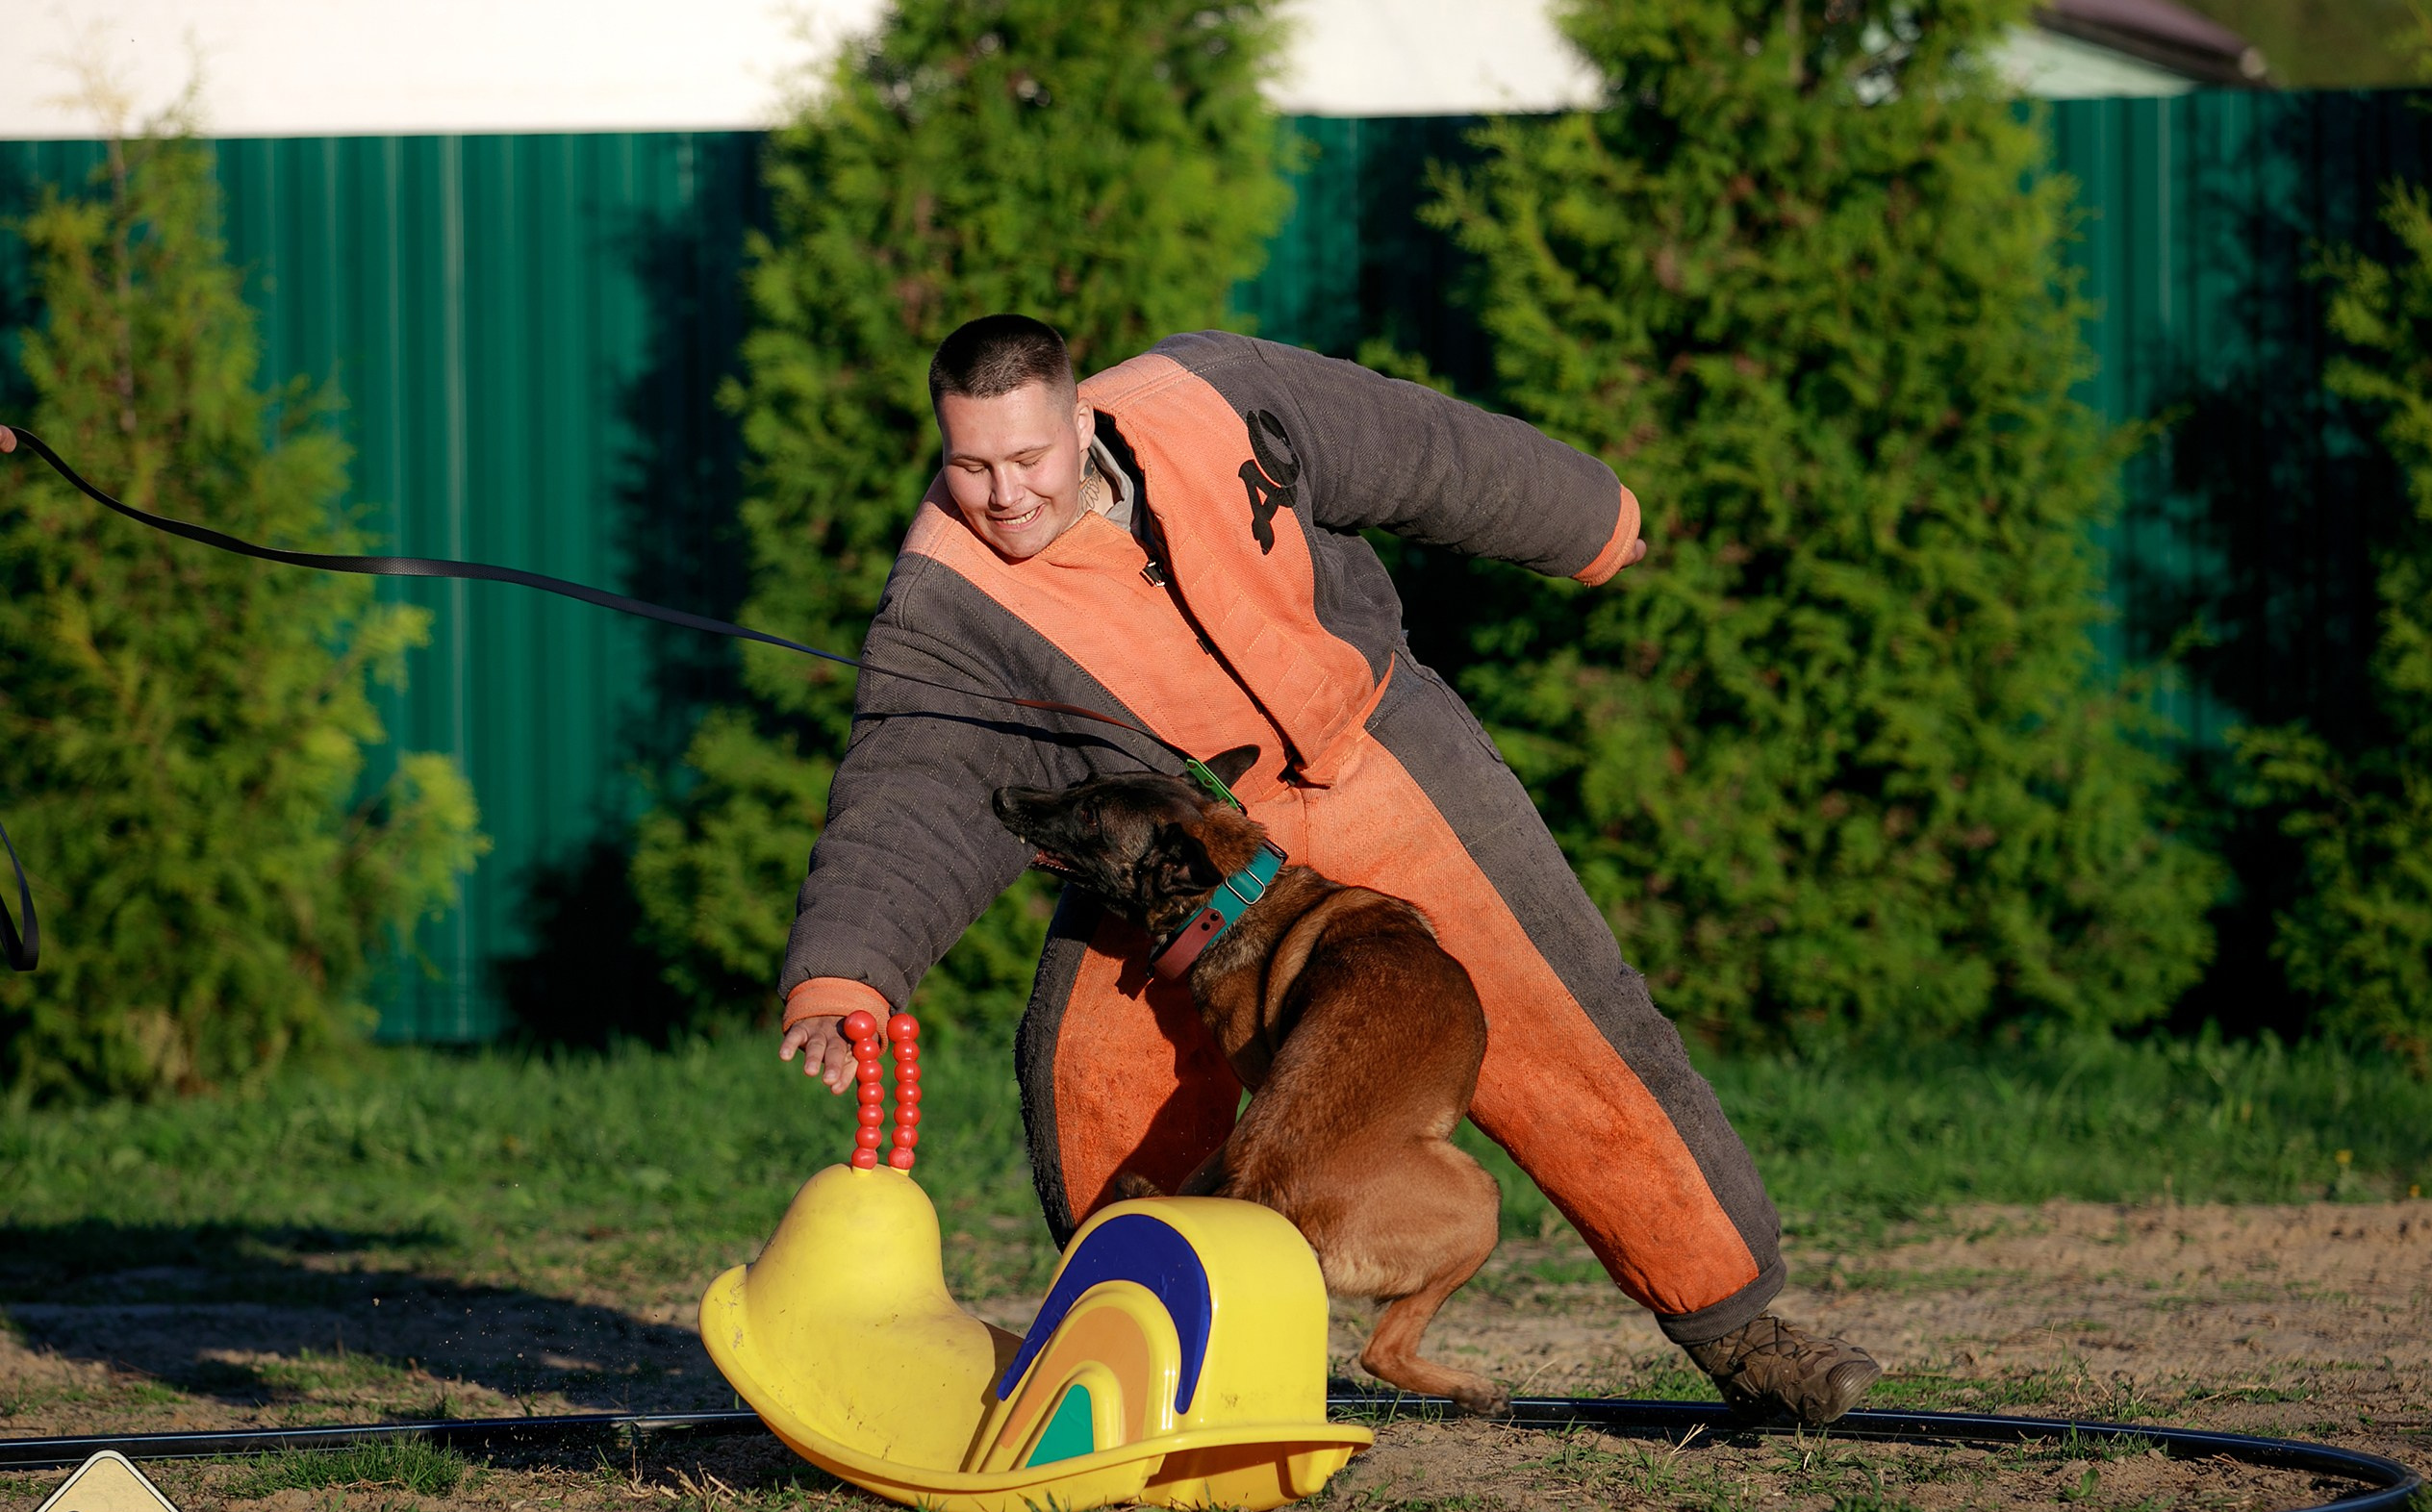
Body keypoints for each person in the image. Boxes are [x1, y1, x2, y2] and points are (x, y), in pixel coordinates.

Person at [774, 315, 1880, 1424]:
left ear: (1080, 417)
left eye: (1027, 459)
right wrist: (843, 976)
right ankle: (1158, 1378)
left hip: (1377, 750)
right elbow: (905, 793)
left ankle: (1746, 1335)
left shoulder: (1212, 393)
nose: (1002, 495)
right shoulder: (942, 603)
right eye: (969, 465)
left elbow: (1420, 447)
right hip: (1185, 861)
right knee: (1092, 1096)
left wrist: (1589, 518)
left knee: (1576, 1035)